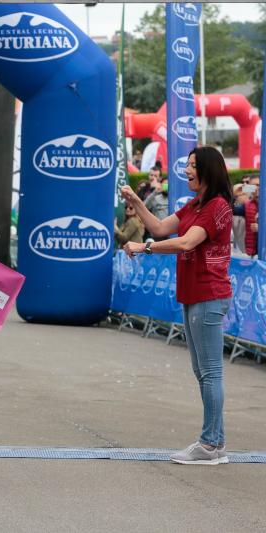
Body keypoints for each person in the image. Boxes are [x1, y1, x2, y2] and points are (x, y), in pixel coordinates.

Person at [121, 146, 233, 466]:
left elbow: (185, 242)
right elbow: (158, 228)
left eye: (194, 166)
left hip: (208, 296)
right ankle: (217, 442)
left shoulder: (216, 207)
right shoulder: (193, 206)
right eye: (187, 165)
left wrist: (144, 247)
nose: (187, 171)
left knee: (210, 373)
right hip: (193, 295)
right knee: (203, 372)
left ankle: (210, 445)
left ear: (209, 170)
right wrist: (138, 203)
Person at [233, 174, 259, 258]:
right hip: (252, 254)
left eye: (258, 185)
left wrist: (261, 228)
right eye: (252, 186)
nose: (256, 189)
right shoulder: (248, 205)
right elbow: (229, 208)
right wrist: (236, 193)